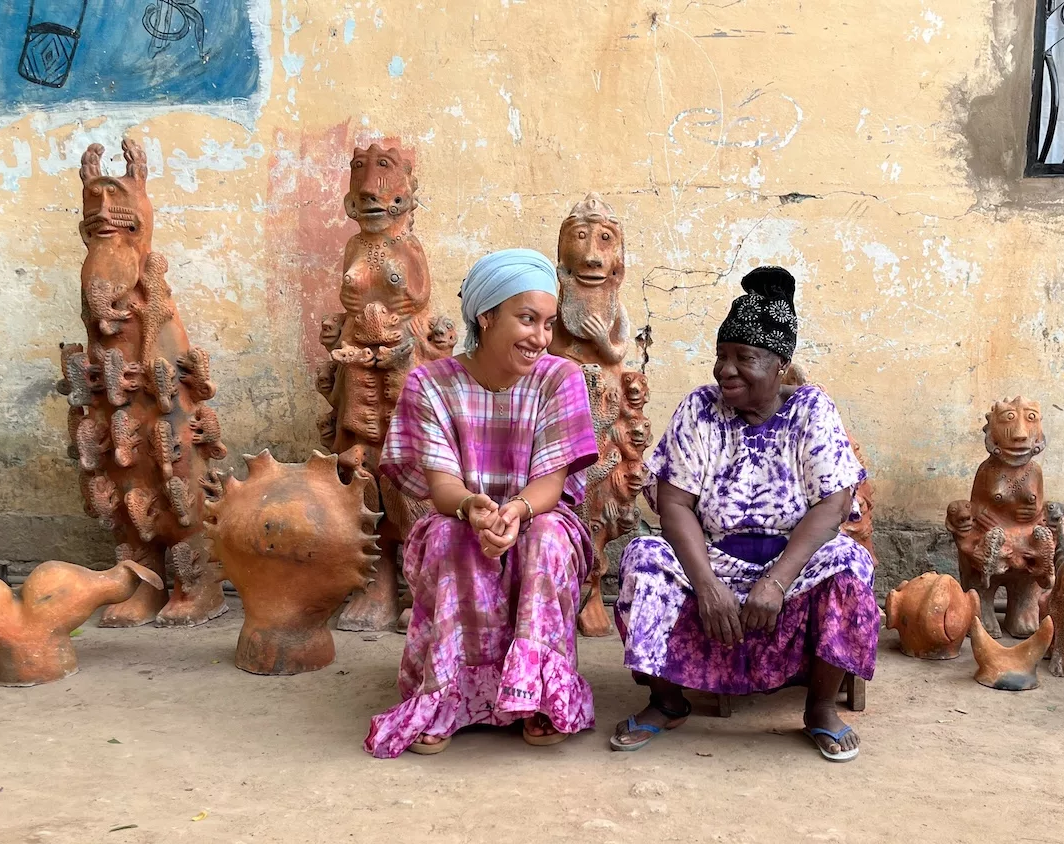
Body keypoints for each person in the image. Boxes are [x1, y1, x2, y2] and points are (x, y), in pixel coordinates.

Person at [612, 266, 880, 762]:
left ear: (779, 364)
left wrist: (776, 581)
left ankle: (819, 709)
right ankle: (666, 702)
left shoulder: (810, 410)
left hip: (791, 563)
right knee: (642, 558)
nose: (725, 369)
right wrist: (708, 584)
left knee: (848, 566)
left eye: (743, 358)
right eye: (721, 356)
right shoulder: (700, 409)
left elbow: (834, 505)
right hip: (714, 557)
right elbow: (674, 503)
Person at [364, 248, 600, 758]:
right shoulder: (430, 385)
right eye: (527, 319)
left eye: (547, 323)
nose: (540, 337)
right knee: (451, 537)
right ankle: (447, 696)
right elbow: (441, 484)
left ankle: (537, 696)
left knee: (549, 539)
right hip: (460, 511)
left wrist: (515, 511)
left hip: (538, 512)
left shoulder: (561, 379)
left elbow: (550, 484)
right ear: (486, 316)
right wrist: (473, 506)